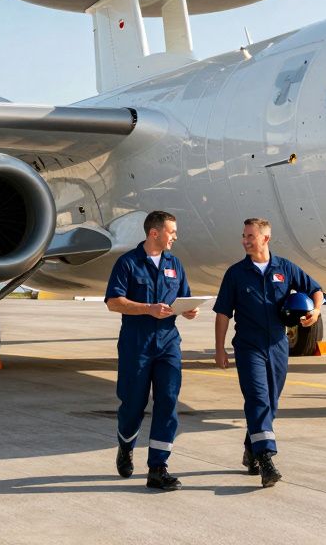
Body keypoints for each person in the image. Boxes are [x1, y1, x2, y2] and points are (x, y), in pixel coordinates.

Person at [213, 218, 323, 487]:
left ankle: (251, 450)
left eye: (250, 236)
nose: (245, 240)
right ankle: (266, 460)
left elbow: (316, 289)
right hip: (248, 346)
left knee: (271, 401)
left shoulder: (283, 268)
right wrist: (219, 349)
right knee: (258, 399)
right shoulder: (236, 273)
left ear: (265, 239)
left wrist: (316, 311)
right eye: (243, 236)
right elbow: (223, 314)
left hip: (277, 345)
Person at [104, 210, 199, 491]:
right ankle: (126, 445)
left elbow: (183, 296)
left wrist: (189, 310)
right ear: (154, 233)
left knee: (168, 402)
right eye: (172, 232)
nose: (175, 237)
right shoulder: (128, 263)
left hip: (169, 342)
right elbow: (113, 302)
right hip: (137, 342)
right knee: (133, 404)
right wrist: (148, 309)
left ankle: (158, 467)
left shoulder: (175, 264)